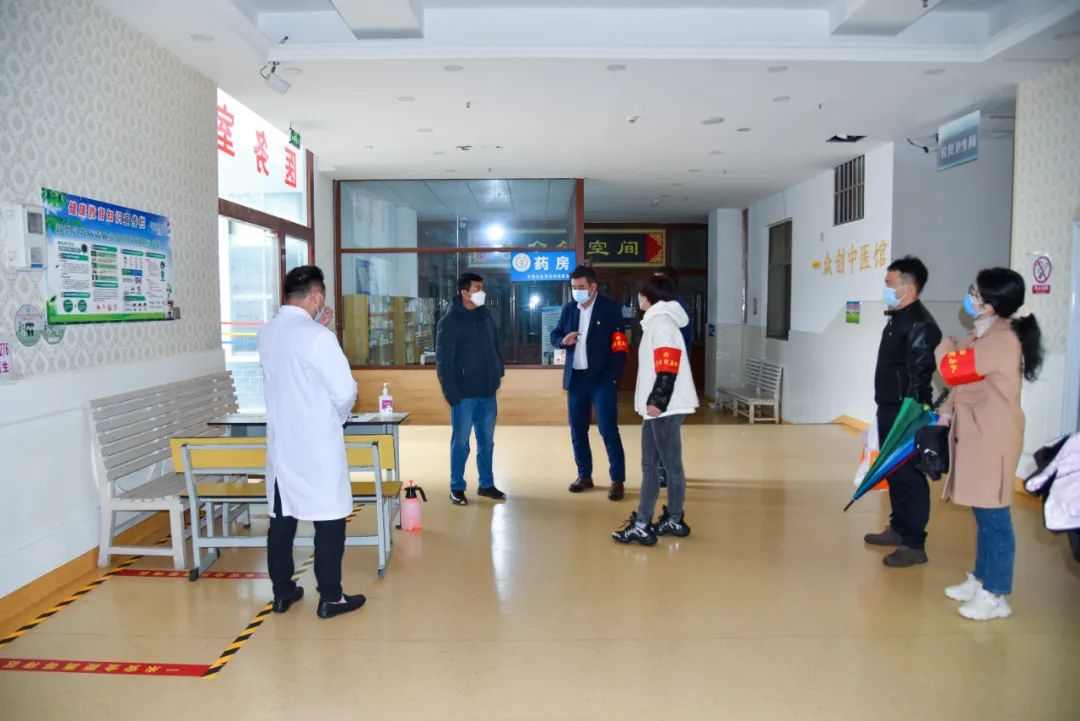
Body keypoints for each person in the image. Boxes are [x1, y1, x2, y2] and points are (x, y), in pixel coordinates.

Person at [258, 265, 366, 620]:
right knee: (330, 521)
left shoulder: (267, 333)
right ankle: (330, 597)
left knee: (282, 522)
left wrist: (319, 328)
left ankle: (282, 592)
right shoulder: (319, 338)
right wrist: (338, 416)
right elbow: (345, 391)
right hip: (316, 446)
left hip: (282, 447)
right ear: (317, 297)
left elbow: (294, 366)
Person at [935, 268, 1042, 621]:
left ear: (991, 304)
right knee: (982, 512)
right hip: (977, 433)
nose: (969, 297)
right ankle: (980, 579)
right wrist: (945, 413)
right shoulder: (980, 335)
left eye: (975, 292)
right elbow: (962, 383)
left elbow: (952, 370)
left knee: (995, 516)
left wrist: (945, 346)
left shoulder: (1002, 340)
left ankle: (996, 595)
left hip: (994, 437)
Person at [865, 256, 942, 567]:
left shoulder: (920, 324)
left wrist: (908, 417)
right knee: (894, 471)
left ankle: (914, 543)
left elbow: (920, 375)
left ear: (908, 289)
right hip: (889, 406)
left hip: (906, 412)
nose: (885, 288)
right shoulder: (898, 318)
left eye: (889, 283)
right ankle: (898, 528)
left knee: (909, 476)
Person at [613, 276, 699, 545]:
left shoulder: (661, 322)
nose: (638, 298)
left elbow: (668, 364)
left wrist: (658, 401)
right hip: (660, 407)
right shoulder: (658, 321)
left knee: (665, 466)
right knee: (654, 465)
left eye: (640, 294)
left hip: (663, 408)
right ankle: (663, 518)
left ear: (649, 296)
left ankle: (653, 522)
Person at [551, 265, 629, 500]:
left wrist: (613, 375)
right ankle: (584, 475)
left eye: (581, 287)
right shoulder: (569, 309)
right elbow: (555, 334)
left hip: (602, 379)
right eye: (574, 288)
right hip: (576, 379)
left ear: (593, 287)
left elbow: (620, 346)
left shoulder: (610, 309)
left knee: (608, 429)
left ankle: (617, 479)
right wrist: (563, 341)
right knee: (578, 430)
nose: (577, 291)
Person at [436, 272, 506, 506]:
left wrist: (497, 373)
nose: (482, 293)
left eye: (482, 288)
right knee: (461, 444)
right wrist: (451, 394)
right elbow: (443, 362)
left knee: (487, 443)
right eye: (477, 289)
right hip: (463, 395)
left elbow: (495, 346)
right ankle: (457, 486)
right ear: (465, 292)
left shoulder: (486, 316)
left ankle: (486, 484)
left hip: (487, 392)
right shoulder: (449, 322)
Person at [652, 266, 691, 488]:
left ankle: (668, 471)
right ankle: (667, 469)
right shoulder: (661, 307)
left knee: (666, 428)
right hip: (662, 374)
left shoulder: (674, 308)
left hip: (670, 376)